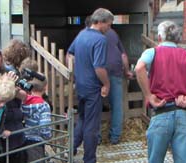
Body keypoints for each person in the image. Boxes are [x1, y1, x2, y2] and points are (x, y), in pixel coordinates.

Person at [134, 20, 186, 163]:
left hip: (161, 113)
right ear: (178, 38)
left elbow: (139, 68)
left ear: (159, 37)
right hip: (183, 114)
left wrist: (149, 96)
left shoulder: (152, 52)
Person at [67, 8, 113, 163]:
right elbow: (99, 67)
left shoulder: (81, 34)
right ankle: (89, 159)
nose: (109, 28)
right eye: (108, 24)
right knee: (92, 127)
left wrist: (74, 72)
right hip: (93, 87)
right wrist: (106, 84)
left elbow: (70, 54)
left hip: (80, 85)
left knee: (82, 119)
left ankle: (71, 148)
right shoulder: (100, 40)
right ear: (100, 22)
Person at [0, 39, 31, 163]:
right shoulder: (12, 72)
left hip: (8, 118)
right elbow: (22, 96)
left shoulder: (5, 68)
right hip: (11, 118)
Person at [102, 28, 133, 144]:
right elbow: (123, 56)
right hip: (115, 71)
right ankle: (115, 137)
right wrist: (127, 71)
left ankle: (97, 138)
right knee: (117, 105)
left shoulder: (89, 33)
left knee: (96, 105)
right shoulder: (113, 33)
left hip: (98, 72)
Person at [21, 76, 52, 163]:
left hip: (22, 140)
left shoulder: (22, 102)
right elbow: (44, 127)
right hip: (36, 142)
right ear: (45, 87)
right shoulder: (43, 105)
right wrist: (48, 136)